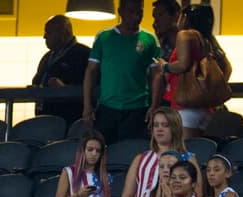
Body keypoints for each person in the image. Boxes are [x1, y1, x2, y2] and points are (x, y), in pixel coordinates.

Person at [82, 0, 162, 144]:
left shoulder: (149, 39)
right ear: (121, 12)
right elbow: (91, 72)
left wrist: (154, 106)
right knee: (103, 150)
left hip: (138, 108)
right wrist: (87, 106)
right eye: (131, 11)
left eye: (140, 12)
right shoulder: (104, 37)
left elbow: (156, 75)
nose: (136, 16)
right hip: (107, 107)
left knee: (133, 150)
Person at [154, 4, 231, 139]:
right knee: (199, 147)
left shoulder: (184, 35)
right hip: (205, 108)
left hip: (186, 107)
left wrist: (165, 66)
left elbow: (183, 64)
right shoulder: (207, 40)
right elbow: (227, 68)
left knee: (185, 149)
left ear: (184, 18)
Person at [120, 108, 185, 197]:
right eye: (156, 125)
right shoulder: (140, 159)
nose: (159, 129)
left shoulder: (187, 158)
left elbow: (196, 196)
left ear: (175, 128)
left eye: (165, 125)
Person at [33, 15, 92, 126]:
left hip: (71, 120)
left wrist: (65, 89)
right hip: (46, 120)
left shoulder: (84, 55)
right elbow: (37, 80)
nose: (44, 37)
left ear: (64, 33)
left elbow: (94, 88)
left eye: (48, 32)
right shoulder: (47, 57)